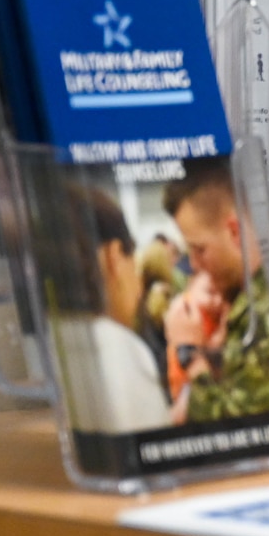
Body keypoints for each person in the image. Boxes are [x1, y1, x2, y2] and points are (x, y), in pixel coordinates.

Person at [161, 156, 269, 423]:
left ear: (234, 232)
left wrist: (188, 351)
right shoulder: (253, 300)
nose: (195, 264)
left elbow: (234, 424)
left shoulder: (264, 311)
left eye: (199, 249)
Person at [62, 186, 173, 434]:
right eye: (133, 266)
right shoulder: (118, 347)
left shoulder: (52, 341)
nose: (138, 290)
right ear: (114, 257)